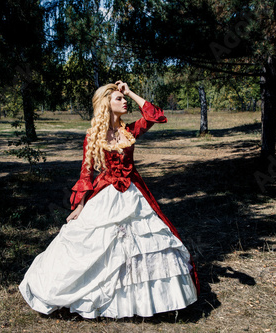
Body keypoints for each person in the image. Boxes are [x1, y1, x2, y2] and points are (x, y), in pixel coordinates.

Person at [19, 81, 199, 319]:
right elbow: (86, 173)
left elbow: (156, 116)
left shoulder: (130, 131)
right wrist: (80, 205)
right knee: (100, 245)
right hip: (106, 194)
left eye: (123, 99)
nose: (124, 102)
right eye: (118, 99)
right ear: (106, 104)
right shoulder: (94, 135)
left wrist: (130, 92)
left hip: (134, 193)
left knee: (141, 243)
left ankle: (146, 302)